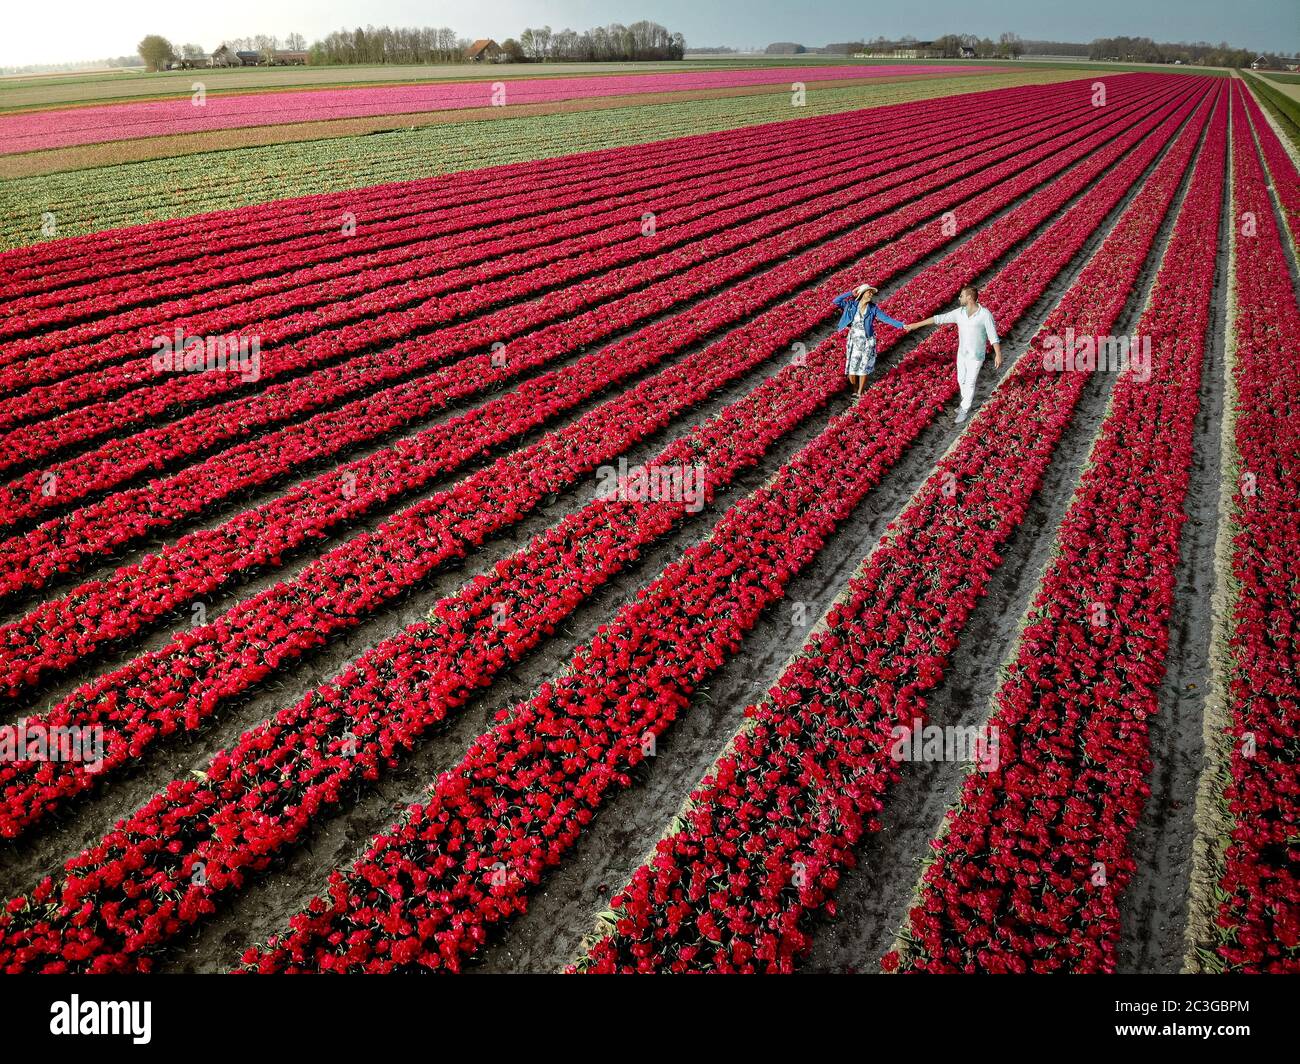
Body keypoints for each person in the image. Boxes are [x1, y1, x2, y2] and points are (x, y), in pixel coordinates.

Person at [906, 285, 1002, 424]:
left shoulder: (984, 314)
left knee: (970, 383)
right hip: (962, 353)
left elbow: (993, 336)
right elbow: (939, 318)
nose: (959, 298)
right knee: (961, 380)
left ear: (969, 298)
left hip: (976, 355)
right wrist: (916, 325)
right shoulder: (960, 313)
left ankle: (964, 409)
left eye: (961, 296)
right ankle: (964, 403)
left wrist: (998, 354)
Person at [832, 283, 907, 400]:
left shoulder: (873, 308)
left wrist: (902, 325)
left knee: (863, 367)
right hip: (854, 340)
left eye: (872, 292)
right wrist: (851, 293)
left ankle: (860, 392)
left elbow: (886, 319)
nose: (871, 294)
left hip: (867, 341)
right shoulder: (851, 305)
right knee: (852, 368)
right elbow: (836, 301)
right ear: (862, 294)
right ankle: (855, 389)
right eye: (869, 292)